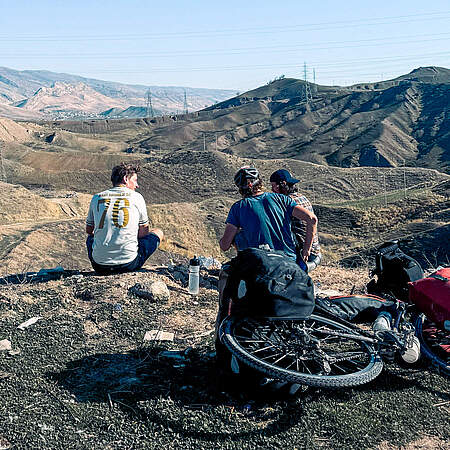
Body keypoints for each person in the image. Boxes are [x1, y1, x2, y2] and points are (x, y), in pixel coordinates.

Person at [219, 166, 317, 268]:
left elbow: (224, 246)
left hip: (261, 265)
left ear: (241, 188)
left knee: (239, 235)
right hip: (289, 262)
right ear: (259, 182)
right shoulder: (282, 199)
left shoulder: (237, 208)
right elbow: (312, 219)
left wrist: (224, 240)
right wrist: (306, 250)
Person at [85, 162, 164, 274]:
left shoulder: (97, 197)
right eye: (135, 180)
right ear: (126, 179)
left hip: (99, 266)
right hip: (129, 264)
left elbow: (89, 230)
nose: (137, 185)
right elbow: (143, 233)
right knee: (158, 232)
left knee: (90, 239)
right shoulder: (137, 197)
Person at [269, 169, 322, 272]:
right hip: (314, 250)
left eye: (273, 186)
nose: (272, 189)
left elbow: (312, 220)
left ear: (282, 185)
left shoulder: (287, 202)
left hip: (304, 253)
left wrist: (306, 251)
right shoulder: (302, 197)